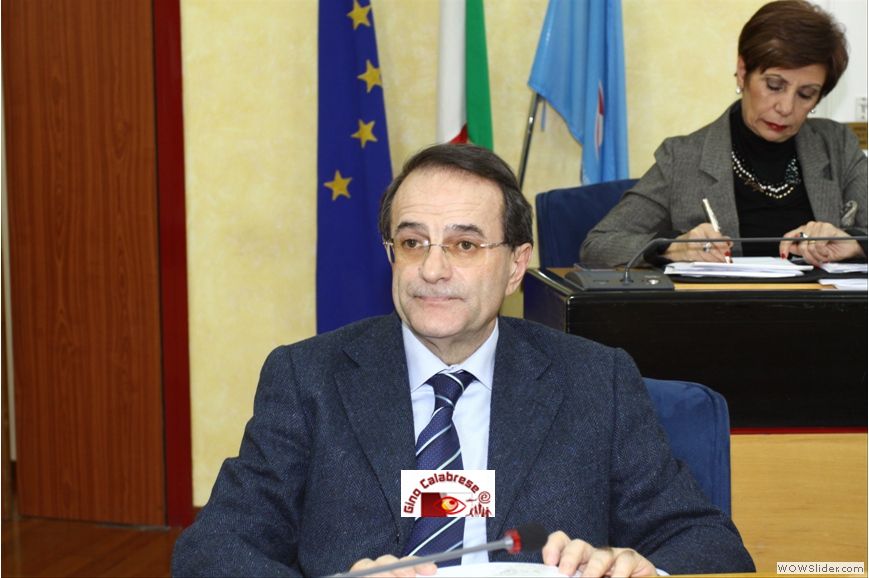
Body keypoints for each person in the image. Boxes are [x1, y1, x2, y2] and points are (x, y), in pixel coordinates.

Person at [172, 143, 754, 577]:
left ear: (516, 265)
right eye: (412, 242)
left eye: (465, 245)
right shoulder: (308, 378)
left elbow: (709, 545)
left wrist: (642, 568)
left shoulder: (596, 381)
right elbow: (213, 549)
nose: (432, 269)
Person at [581, 0, 867, 268]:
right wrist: (673, 248)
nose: (786, 107)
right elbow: (598, 246)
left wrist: (856, 244)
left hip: (820, 307)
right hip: (724, 306)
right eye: (774, 86)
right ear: (743, 72)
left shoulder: (837, 146)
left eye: (806, 94)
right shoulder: (682, 158)